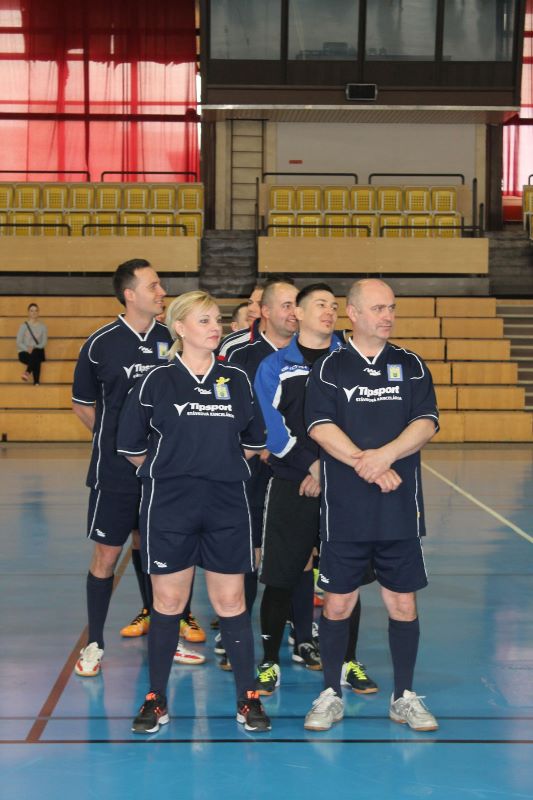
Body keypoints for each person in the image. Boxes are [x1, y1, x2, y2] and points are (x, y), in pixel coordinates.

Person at [116, 291, 271, 734]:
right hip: (169, 505)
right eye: (203, 320)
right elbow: (130, 446)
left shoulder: (236, 379)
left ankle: (247, 698)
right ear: (180, 328)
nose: (215, 327)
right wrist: (173, 471)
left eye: (217, 319)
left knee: (232, 602)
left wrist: (215, 467)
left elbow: (253, 441)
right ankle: (156, 698)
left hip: (226, 504)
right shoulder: (156, 381)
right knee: (167, 602)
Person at [303, 278, 439, 732]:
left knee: (403, 603)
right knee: (338, 605)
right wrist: (370, 464)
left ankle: (404, 697)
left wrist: (385, 456)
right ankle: (330, 693)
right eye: (379, 308)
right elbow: (321, 428)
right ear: (354, 313)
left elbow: (426, 422)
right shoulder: (329, 368)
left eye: (392, 308)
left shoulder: (410, 365)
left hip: (400, 510)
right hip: (345, 511)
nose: (388, 316)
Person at [253, 283, 377, 697]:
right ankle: (269, 662)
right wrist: (311, 465)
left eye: (333, 305)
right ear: (298, 315)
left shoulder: (350, 362)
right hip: (292, 483)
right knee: (280, 577)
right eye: (319, 304)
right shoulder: (275, 366)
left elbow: (362, 419)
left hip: (345, 485)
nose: (329, 311)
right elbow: (270, 428)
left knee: (346, 579)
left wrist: (329, 468)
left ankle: (348, 660)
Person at [71, 258, 180, 677]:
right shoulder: (100, 343)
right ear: (130, 294)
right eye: (153, 286)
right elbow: (82, 404)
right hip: (114, 473)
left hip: (162, 471)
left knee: (153, 551)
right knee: (106, 553)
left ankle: (162, 635)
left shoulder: (172, 339)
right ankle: (94, 643)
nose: (161, 292)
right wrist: (116, 440)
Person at [17, 302, 47, 385]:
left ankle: (27, 372)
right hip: (24, 353)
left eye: (36, 310)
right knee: (36, 359)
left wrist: (33, 347)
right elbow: (18, 342)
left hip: (37, 351)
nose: (34, 312)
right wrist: (27, 348)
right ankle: (36, 382)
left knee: (36, 352)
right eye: (31, 310)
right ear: (28, 312)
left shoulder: (43, 327)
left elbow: (43, 342)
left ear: (38, 312)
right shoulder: (23, 326)